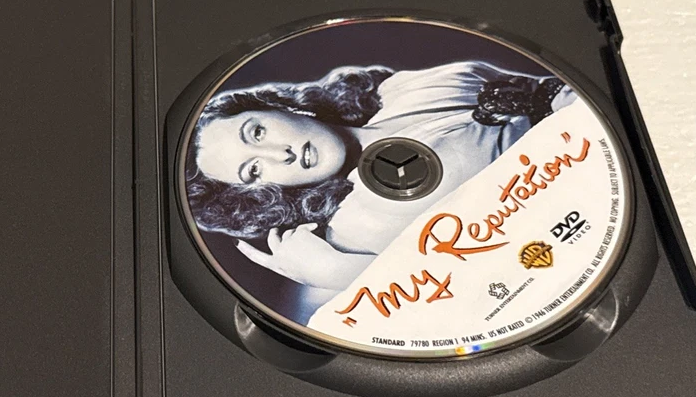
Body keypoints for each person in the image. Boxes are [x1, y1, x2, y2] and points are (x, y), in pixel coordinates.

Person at [185, 61, 575, 291]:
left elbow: (559, 88)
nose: (280, 154)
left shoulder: (406, 89)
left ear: (281, 107)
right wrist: (340, 273)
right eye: (254, 171)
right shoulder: (353, 229)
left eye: (257, 132)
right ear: (262, 194)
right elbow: (471, 292)